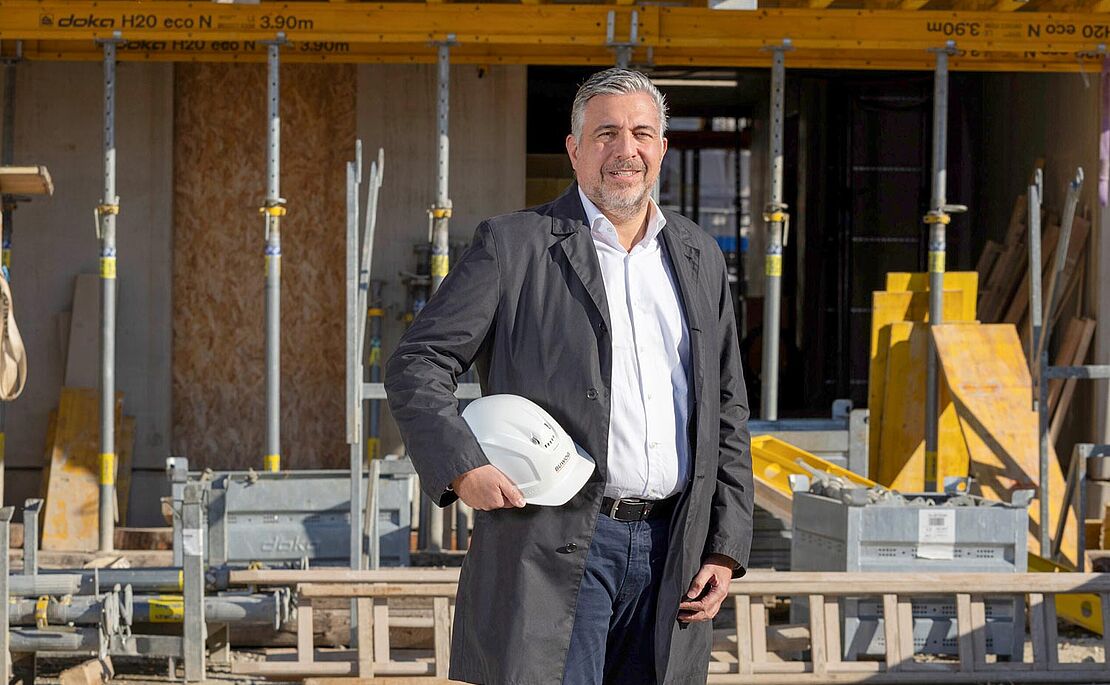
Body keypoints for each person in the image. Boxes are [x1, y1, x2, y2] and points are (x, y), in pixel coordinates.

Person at [385, 67, 754, 685]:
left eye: (641, 133)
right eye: (606, 133)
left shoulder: (699, 256)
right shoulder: (515, 245)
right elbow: (418, 363)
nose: (625, 150)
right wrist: (461, 465)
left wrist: (725, 541)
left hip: (674, 548)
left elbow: (727, 405)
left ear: (662, 148)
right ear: (575, 149)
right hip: (554, 543)